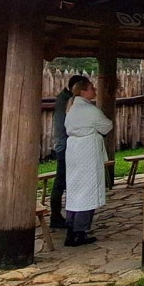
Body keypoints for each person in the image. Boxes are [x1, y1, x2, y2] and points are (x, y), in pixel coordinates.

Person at [63, 77, 113, 246]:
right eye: (92, 88)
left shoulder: (71, 109)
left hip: (73, 152)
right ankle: (80, 231)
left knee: (74, 190)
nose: (95, 91)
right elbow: (106, 126)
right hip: (87, 153)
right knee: (88, 191)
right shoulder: (90, 110)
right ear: (83, 91)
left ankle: (71, 228)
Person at [49, 74, 87, 229]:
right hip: (66, 146)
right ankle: (56, 215)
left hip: (65, 144)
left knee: (63, 180)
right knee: (61, 181)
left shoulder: (65, 98)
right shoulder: (67, 100)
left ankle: (64, 215)